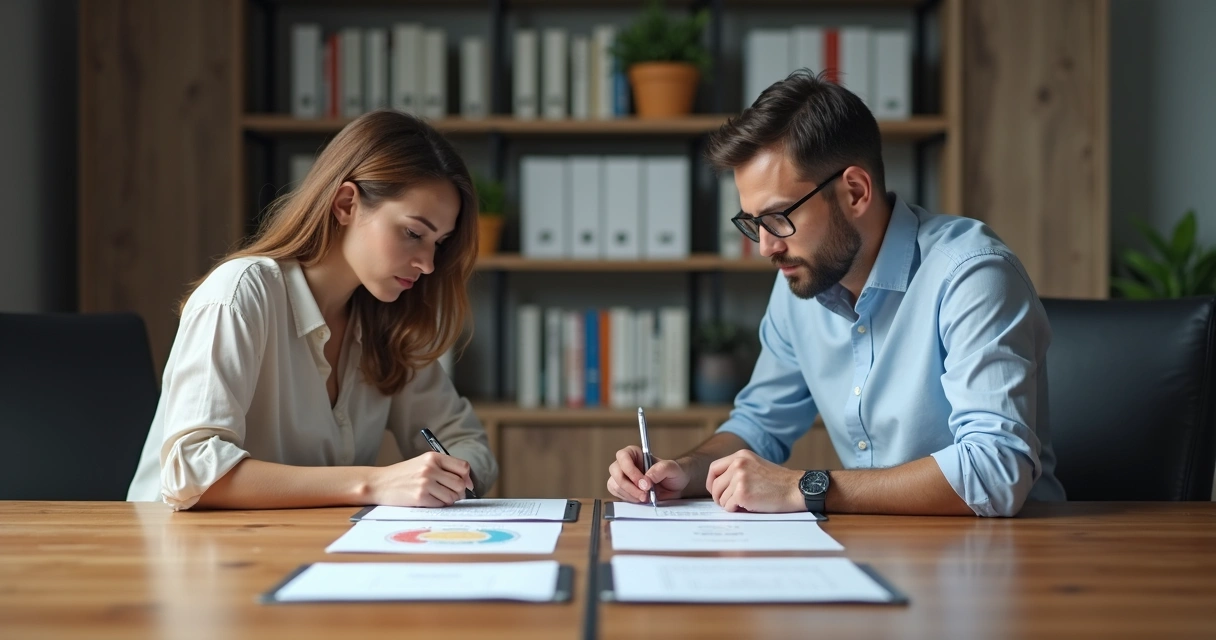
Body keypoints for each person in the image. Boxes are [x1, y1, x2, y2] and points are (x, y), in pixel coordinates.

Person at [606, 71, 1065, 517]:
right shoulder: (799, 279)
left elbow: (995, 471)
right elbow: (760, 424)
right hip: (881, 549)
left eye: (779, 217)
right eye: (752, 224)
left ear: (855, 191)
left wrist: (804, 487)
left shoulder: (971, 275)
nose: (766, 246)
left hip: (1009, 556)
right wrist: (684, 472)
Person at [127, 110, 497, 510]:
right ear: (345, 204)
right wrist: (374, 484)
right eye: (412, 233)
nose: (427, 263)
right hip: (178, 557)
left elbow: (466, 441)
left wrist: (450, 475)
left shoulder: (389, 322)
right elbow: (192, 471)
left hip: (306, 550)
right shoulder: (241, 293)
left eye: (439, 243)